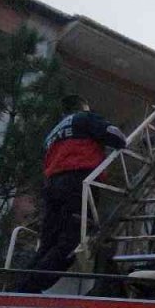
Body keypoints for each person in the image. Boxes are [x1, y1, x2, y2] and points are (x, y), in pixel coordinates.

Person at [17, 95, 126, 293]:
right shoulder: (85, 118)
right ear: (83, 107)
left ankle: (19, 287)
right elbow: (116, 136)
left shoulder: (53, 132)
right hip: (78, 182)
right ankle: (29, 288)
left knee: (48, 243)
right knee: (72, 242)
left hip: (52, 186)